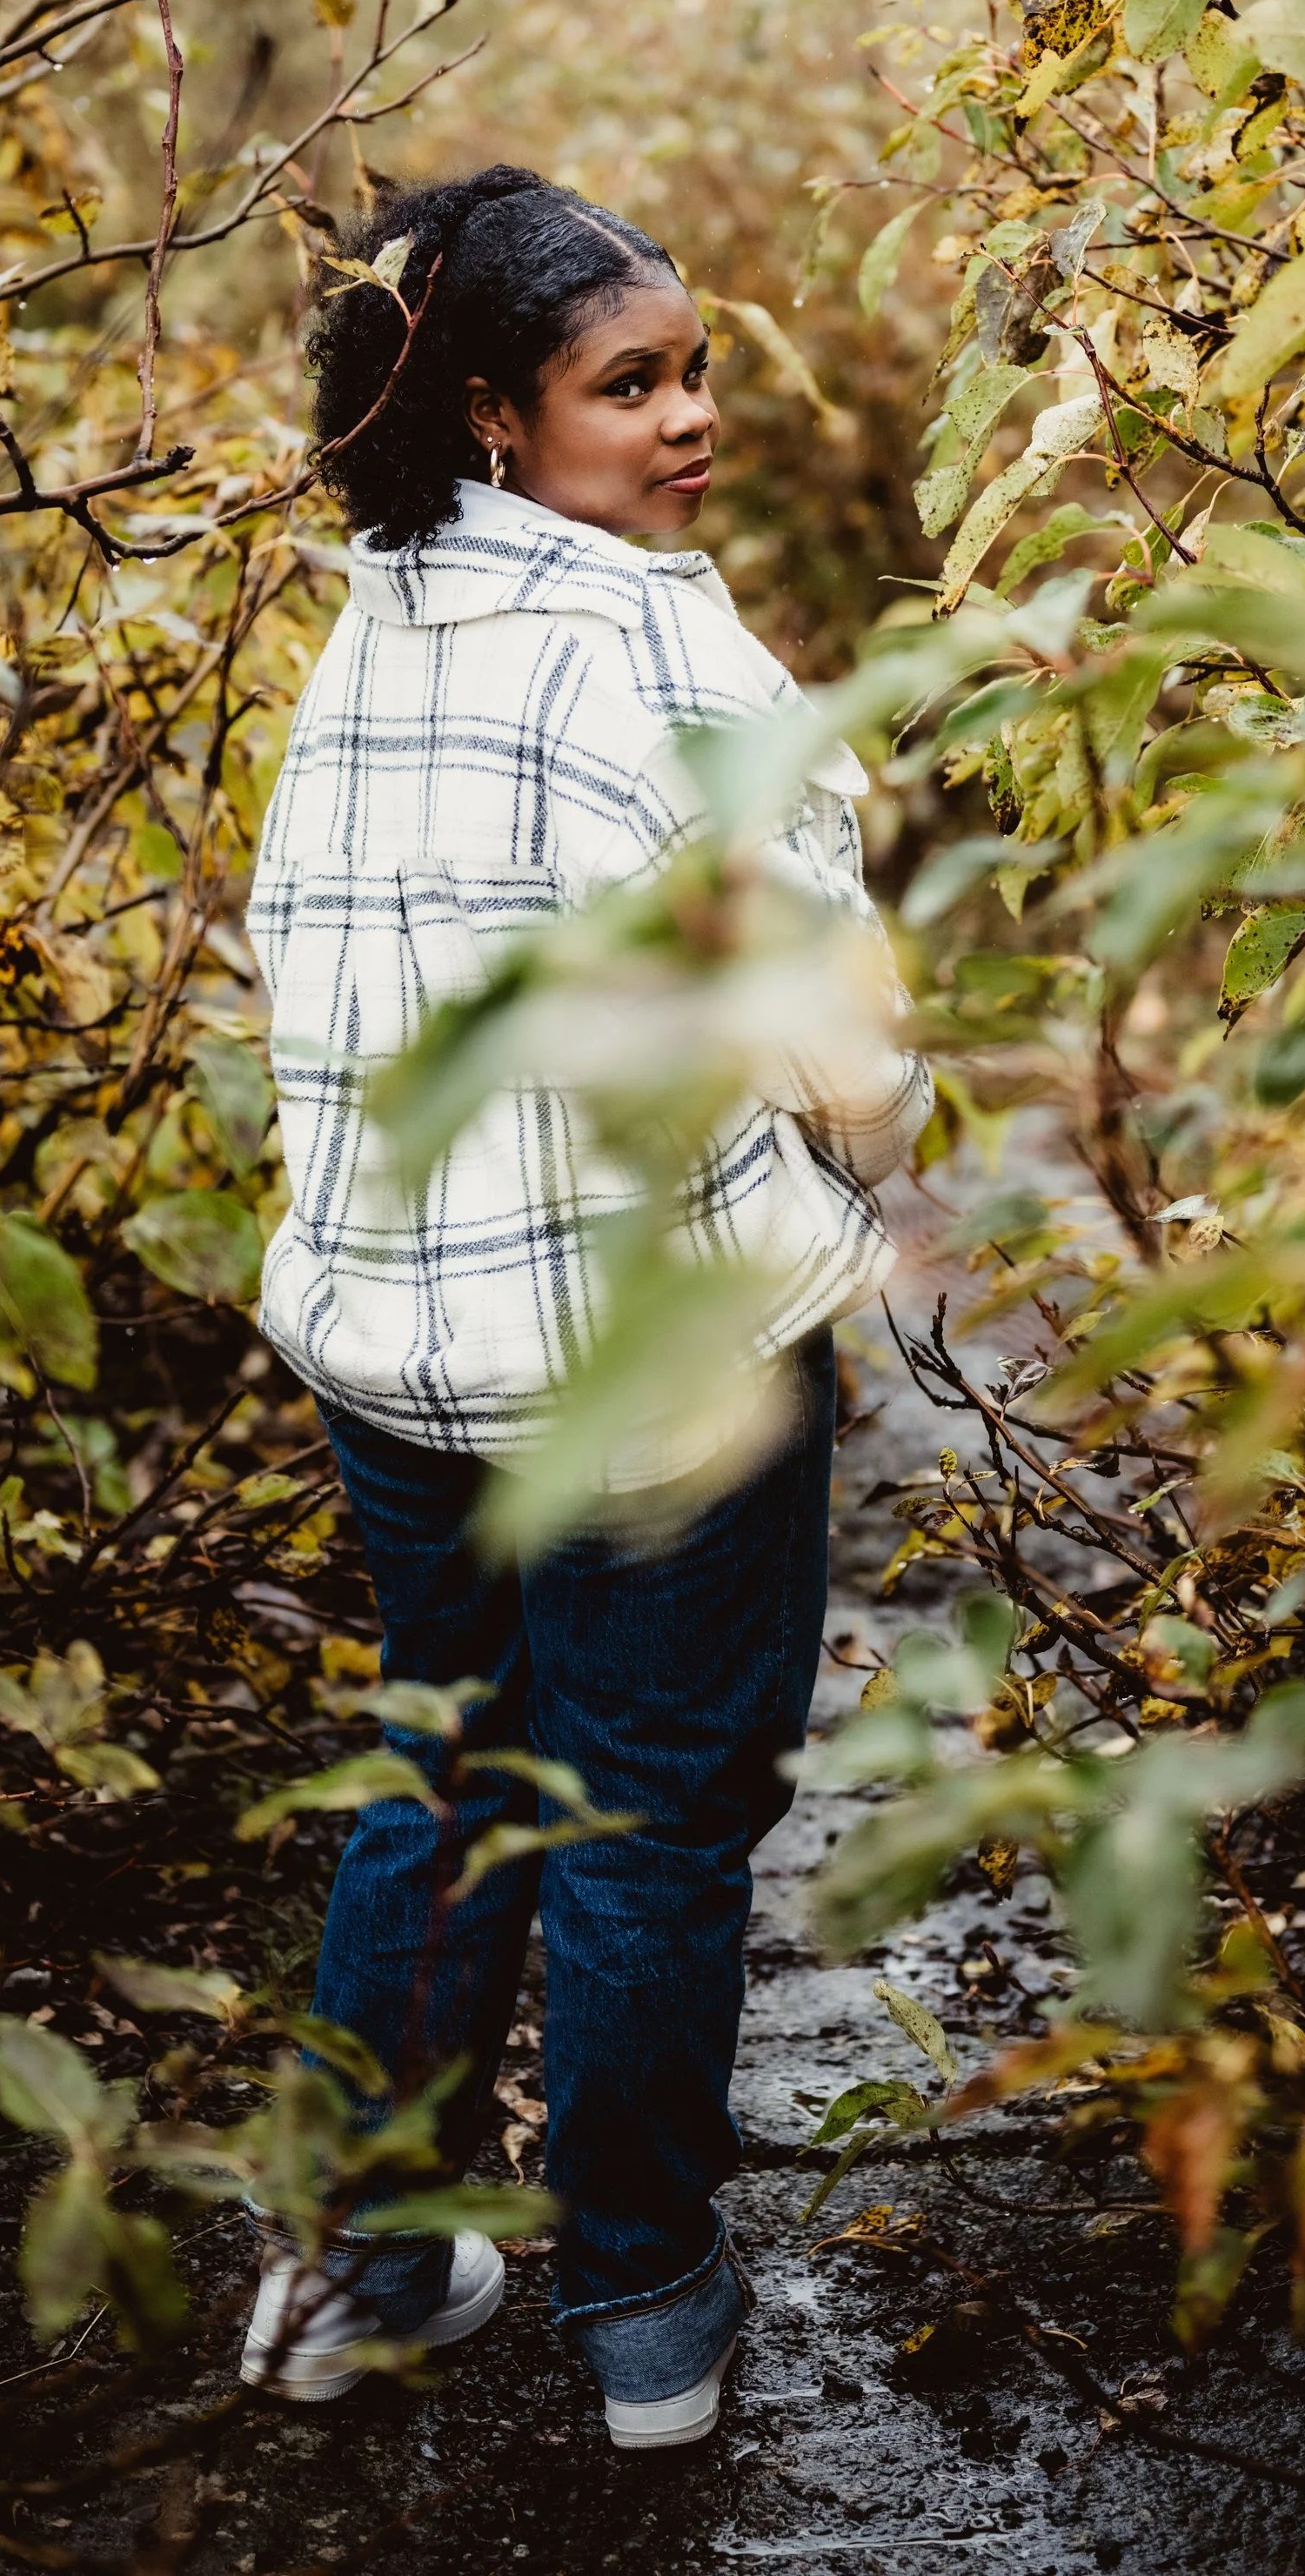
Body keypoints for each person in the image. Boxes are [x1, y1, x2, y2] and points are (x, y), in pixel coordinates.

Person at [240, 164, 930, 2448]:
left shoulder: (375, 623)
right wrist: (859, 1164)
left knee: (439, 1760)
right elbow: (843, 1046)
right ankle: (641, 2306)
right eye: (627, 383)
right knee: (648, 1809)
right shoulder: (660, 643)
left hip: (396, 1352)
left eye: (694, 368)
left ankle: (361, 2264)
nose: (690, 418)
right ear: (491, 417)